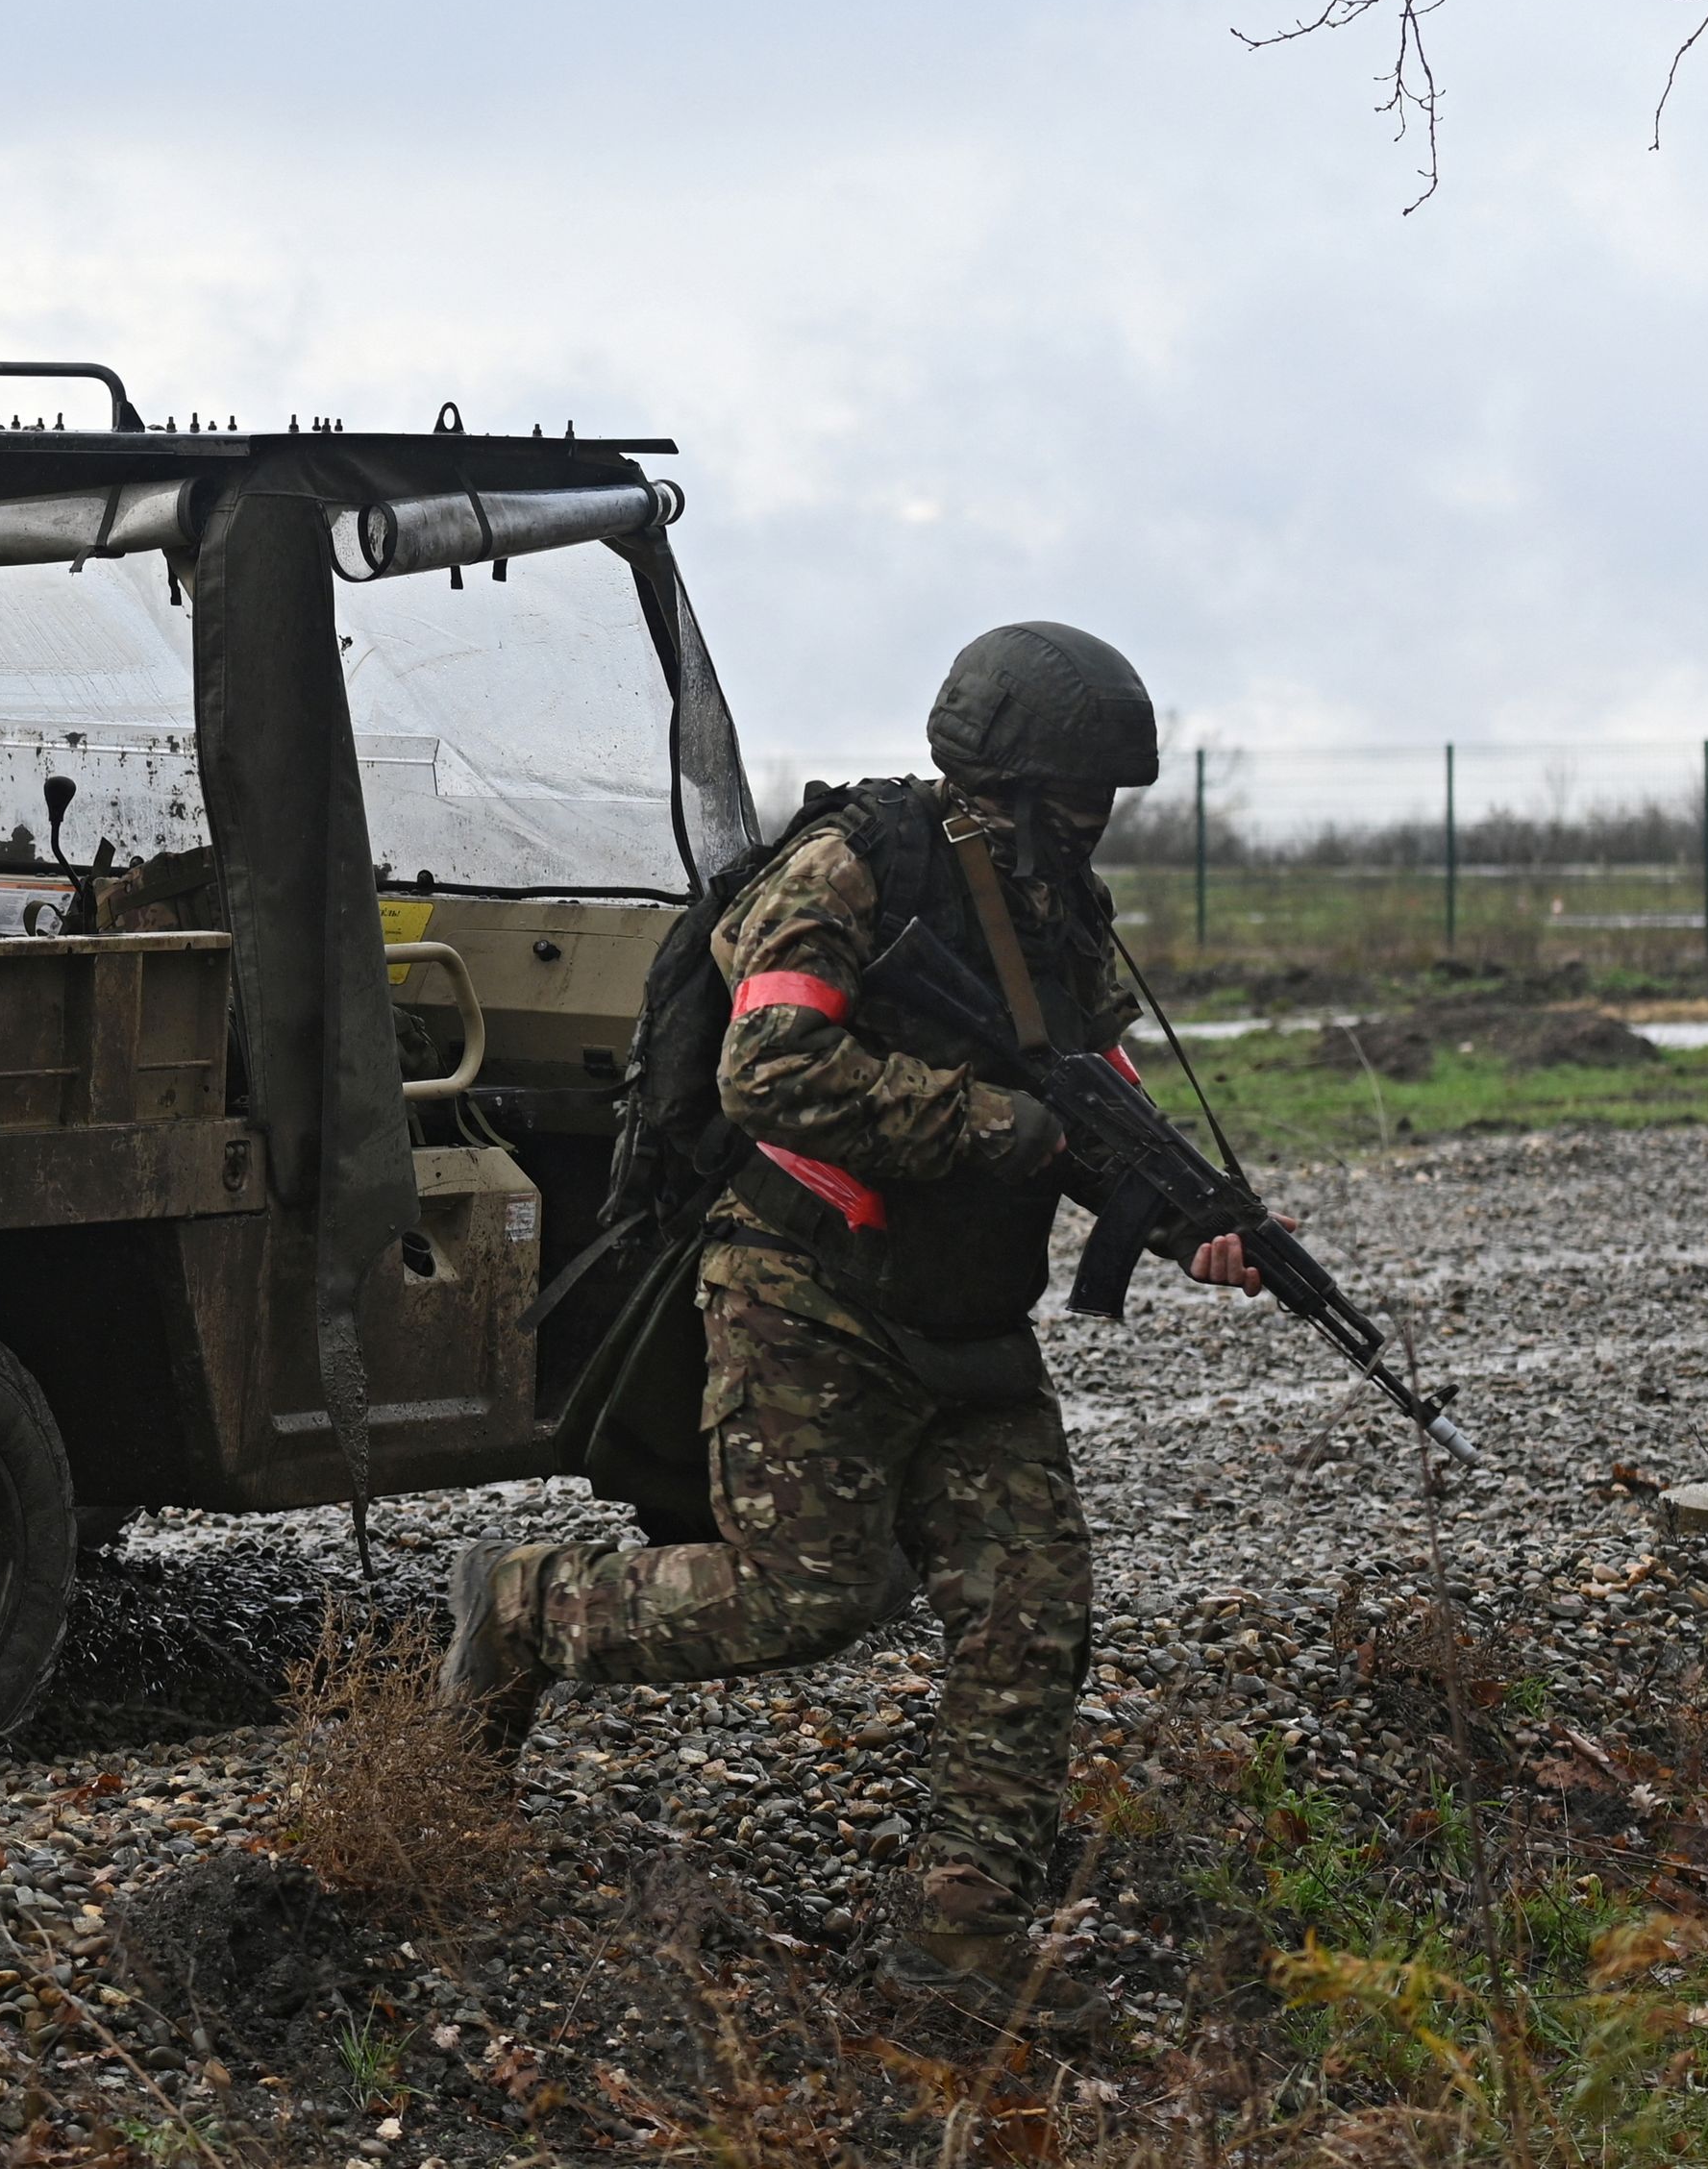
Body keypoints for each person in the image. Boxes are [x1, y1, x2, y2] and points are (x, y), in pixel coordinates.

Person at [441, 622, 1272, 2033]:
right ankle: (521, 1605)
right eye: (1076, 796)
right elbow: (769, 1071)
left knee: (1032, 1608)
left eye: (1104, 800)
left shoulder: (1062, 908)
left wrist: (1190, 1215)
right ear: (1004, 783)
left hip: (967, 1315)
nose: (1094, 820)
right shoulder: (850, 867)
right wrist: (988, 1122)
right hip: (807, 1289)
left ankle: (958, 1940)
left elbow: (1090, 1095)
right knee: (804, 1595)